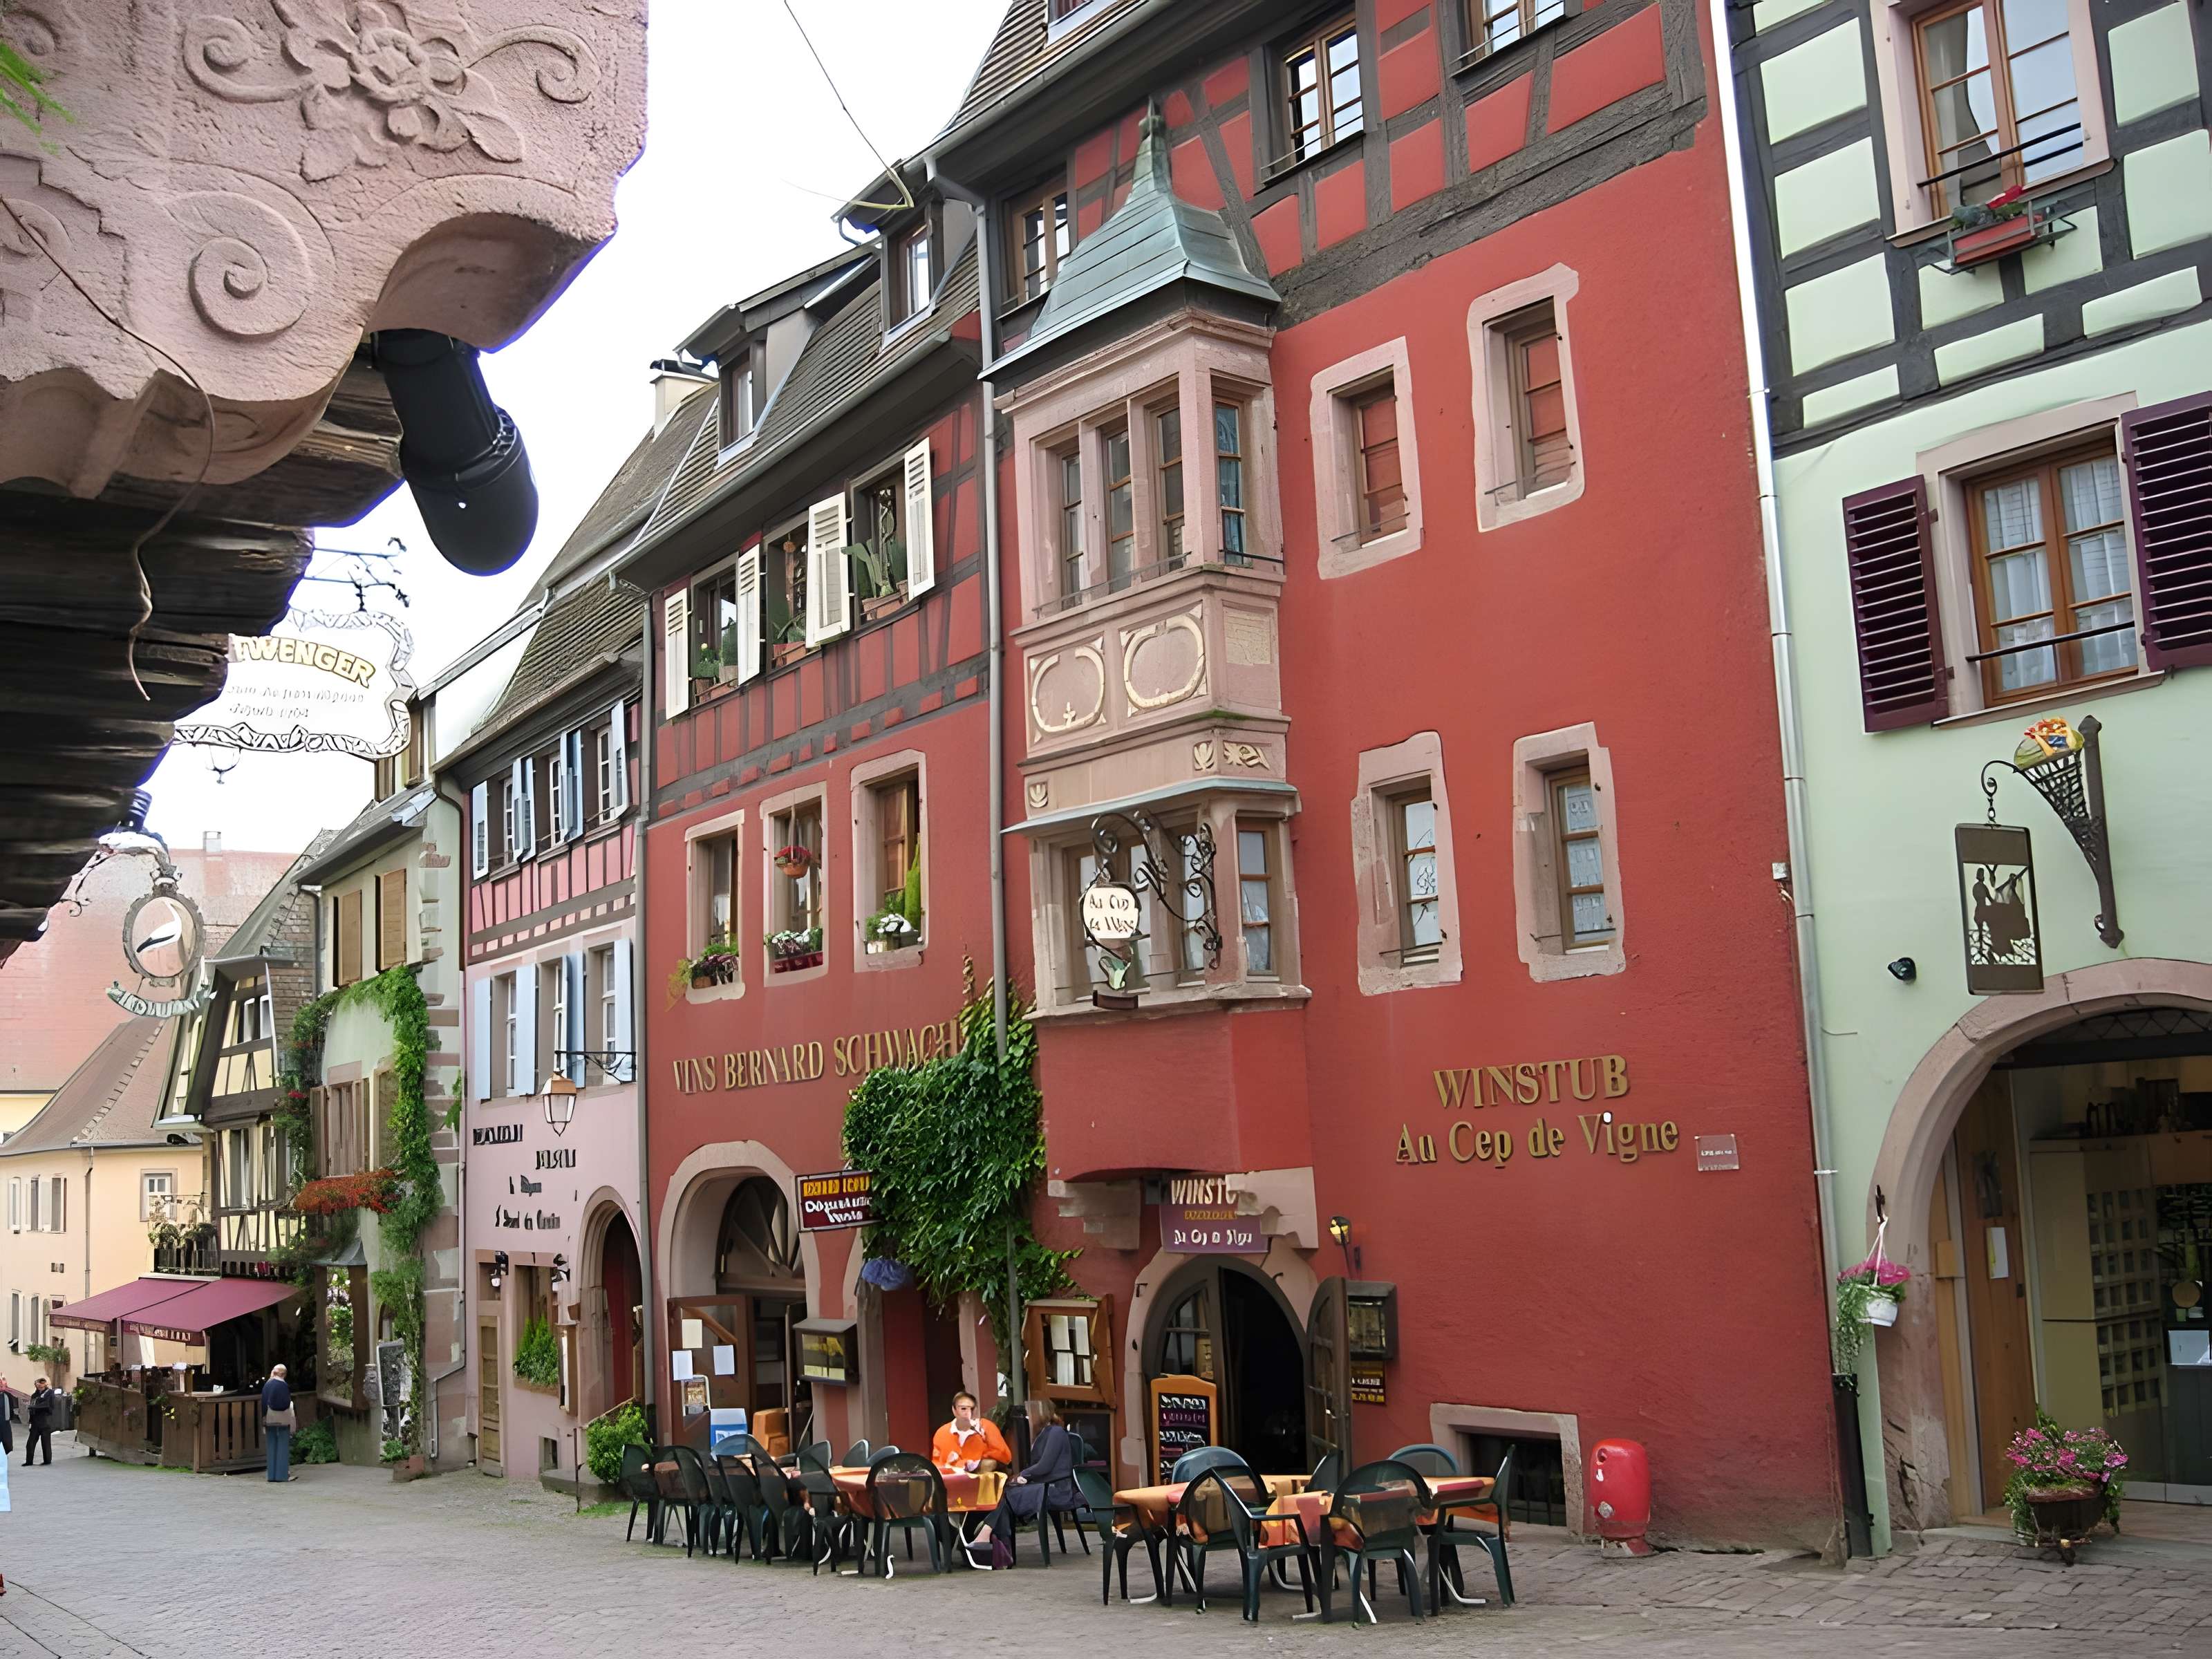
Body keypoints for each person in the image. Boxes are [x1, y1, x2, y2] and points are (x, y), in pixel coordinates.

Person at [964, 1400, 1079, 1568]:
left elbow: (1045, 1465)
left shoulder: (1056, 1432)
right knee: (1004, 1494)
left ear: (1041, 1414)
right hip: (1041, 1486)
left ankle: (991, 1540)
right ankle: (998, 1548)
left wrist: (1022, 1476)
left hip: (1056, 1490)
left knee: (1005, 1495)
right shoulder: (1042, 1434)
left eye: (1030, 1413)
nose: (1028, 1417)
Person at [929, 1390, 1012, 1476]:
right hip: (951, 1477)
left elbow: (1005, 1456)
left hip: (981, 1475)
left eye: (971, 1409)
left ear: (976, 1410)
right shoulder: (942, 1433)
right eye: (963, 1409)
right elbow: (936, 1463)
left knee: (989, 1464)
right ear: (954, 1410)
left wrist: (977, 1461)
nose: (968, 1413)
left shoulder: (985, 1427)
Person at [261, 1364, 297, 1483]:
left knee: (271, 1445)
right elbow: (287, 1402)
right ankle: (282, 1475)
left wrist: (264, 1417)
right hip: (283, 1419)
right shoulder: (284, 1385)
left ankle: (271, 1475)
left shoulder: (267, 1385)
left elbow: (263, 1402)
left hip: (270, 1417)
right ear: (284, 1374)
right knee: (282, 1445)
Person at [21, 1379, 54, 1468]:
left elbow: (47, 1405)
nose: (40, 1388)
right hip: (35, 1423)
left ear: (45, 1385)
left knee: (46, 1443)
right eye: (38, 1386)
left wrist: (34, 1406)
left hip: (45, 1422)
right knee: (30, 1444)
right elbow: (32, 1411)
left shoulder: (49, 1393)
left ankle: (47, 1461)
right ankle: (29, 1462)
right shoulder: (34, 1395)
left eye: (41, 1386)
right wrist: (30, 1422)